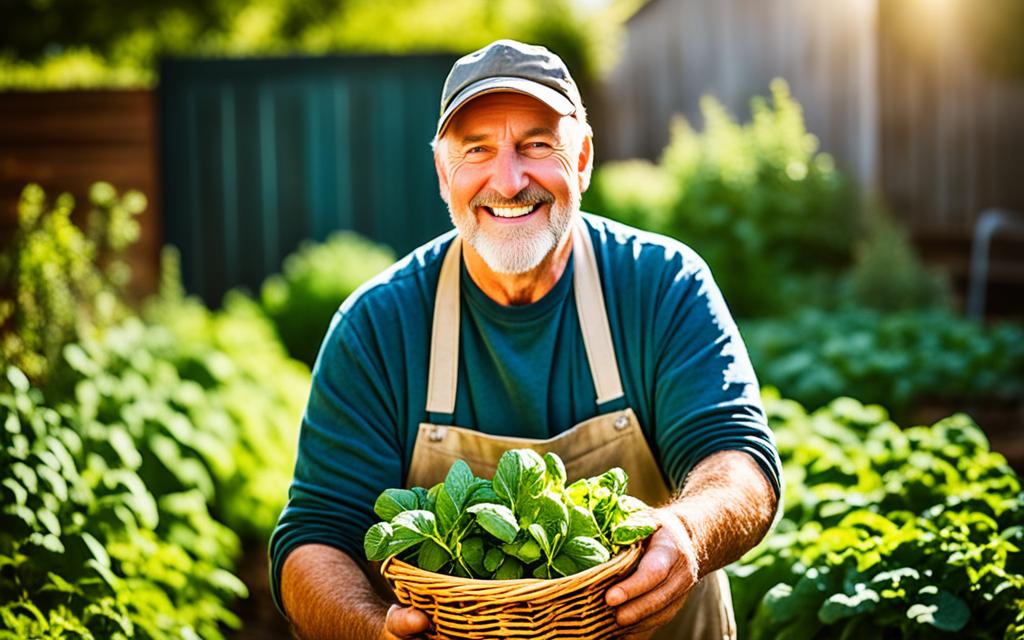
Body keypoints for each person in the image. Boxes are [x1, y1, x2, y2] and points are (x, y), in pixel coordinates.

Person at [270, 39, 782, 640]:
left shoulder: (661, 284)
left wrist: (689, 532)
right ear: (443, 172)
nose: (508, 182)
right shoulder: (378, 326)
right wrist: (372, 629)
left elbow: (737, 458)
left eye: (537, 145)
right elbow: (315, 536)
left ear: (584, 157)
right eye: (477, 150)